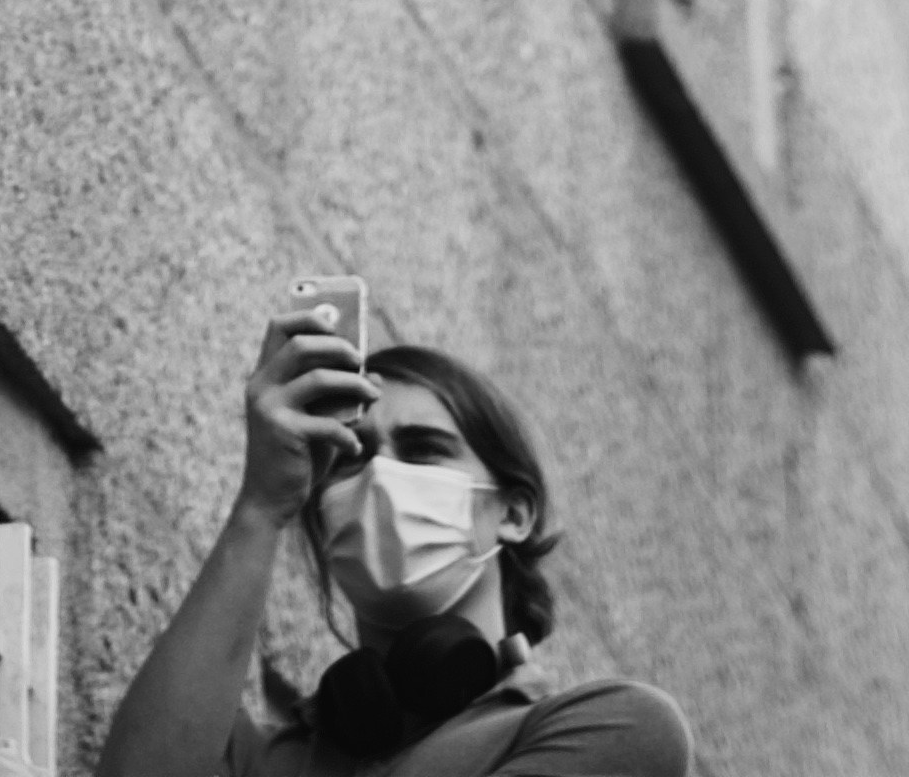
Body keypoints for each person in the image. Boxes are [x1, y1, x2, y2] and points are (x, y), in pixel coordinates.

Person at [96, 300, 693, 776]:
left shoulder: (613, 728)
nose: (381, 476)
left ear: (513, 513)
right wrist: (261, 506)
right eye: (353, 458)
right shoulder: (266, 759)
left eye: (424, 451)